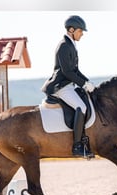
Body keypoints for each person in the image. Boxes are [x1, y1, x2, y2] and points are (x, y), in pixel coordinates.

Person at [41, 15, 95, 158]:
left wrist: (88, 82)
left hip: (69, 84)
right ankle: (77, 146)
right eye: (80, 31)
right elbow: (67, 71)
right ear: (71, 30)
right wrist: (83, 84)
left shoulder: (71, 44)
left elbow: (76, 70)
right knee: (81, 107)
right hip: (60, 87)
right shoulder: (64, 45)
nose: (82, 34)